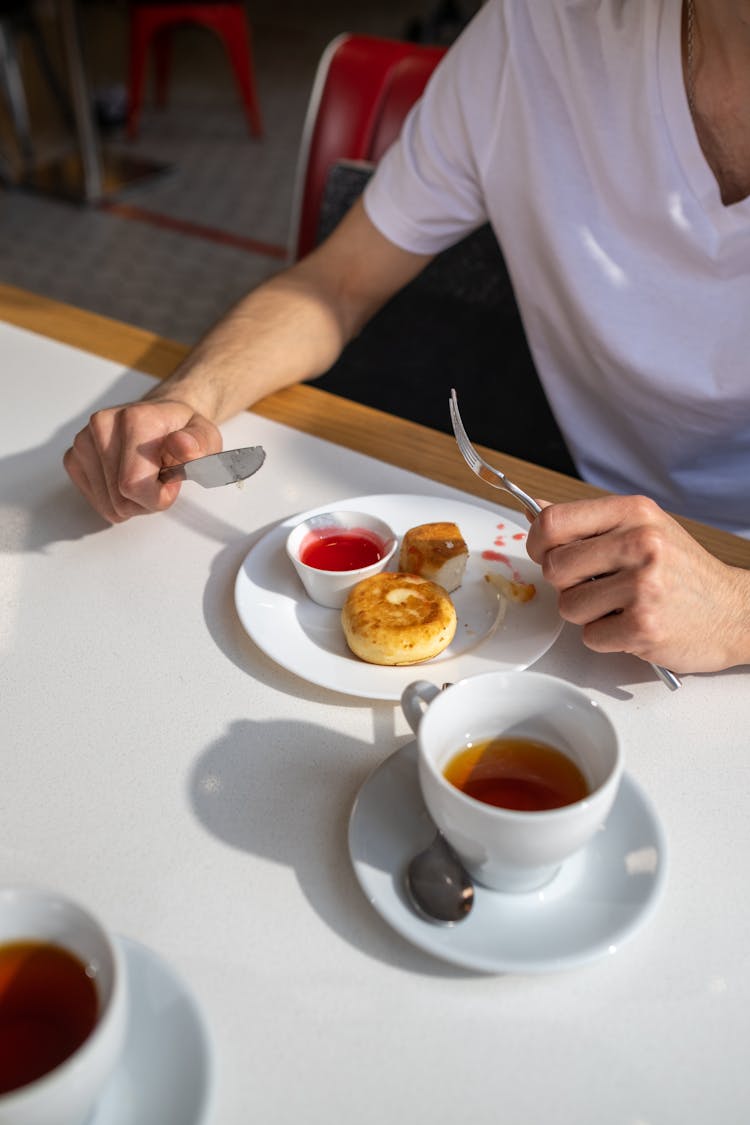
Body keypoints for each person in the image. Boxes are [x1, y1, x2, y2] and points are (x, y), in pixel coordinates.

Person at [64, 0, 750, 674]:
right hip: (577, 575)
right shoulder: (536, 32)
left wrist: (731, 612)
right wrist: (188, 400)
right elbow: (336, 283)